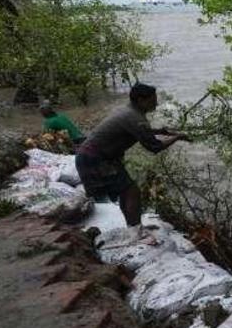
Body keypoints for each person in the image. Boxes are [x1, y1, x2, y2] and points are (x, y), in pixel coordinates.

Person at [75, 83, 188, 228]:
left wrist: (160, 131)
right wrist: (177, 137)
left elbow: (136, 131)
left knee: (126, 190)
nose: (157, 103)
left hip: (94, 156)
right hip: (96, 159)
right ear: (141, 100)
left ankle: (133, 227)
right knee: (130, 191)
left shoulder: (129, 112)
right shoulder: (135, 118)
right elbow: (155, 147)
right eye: (153, 100)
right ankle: (135, 229)